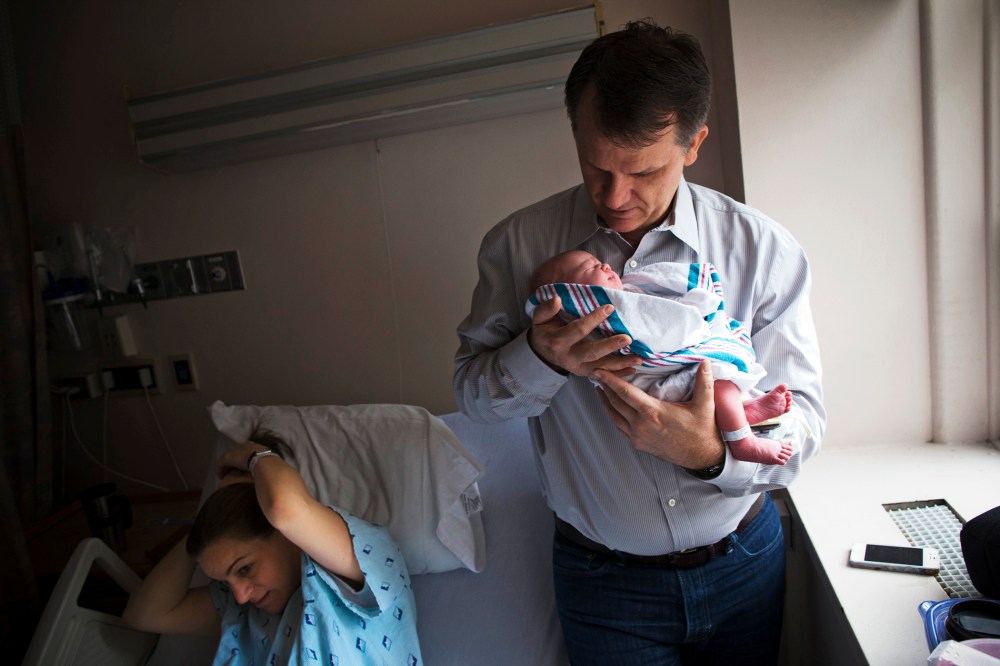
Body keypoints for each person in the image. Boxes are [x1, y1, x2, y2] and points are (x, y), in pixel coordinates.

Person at [454, 19, 825, 666]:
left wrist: (708, 452)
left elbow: (805, 427)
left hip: (746, 562)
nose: (615, 196)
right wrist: (540, 359)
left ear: (694, 143)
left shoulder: (762, 252)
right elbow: (472, 398)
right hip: (605, 587)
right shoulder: (517, 249)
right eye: (595, 166)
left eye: (643, 172)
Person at [123, 428, 423, 666]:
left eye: (244, 568)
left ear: (283, 533)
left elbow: (285, 509)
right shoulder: (242, 610)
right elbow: (144, 615)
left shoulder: (358, 559)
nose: (240, 595)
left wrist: (255, 457)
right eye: (225, 581)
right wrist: (204, 522)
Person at [528, 249, 794, 466]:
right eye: (590, 267)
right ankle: (742, 441)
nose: (605, 265)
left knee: (719, 382)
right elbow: (667, 330)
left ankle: (743, 412)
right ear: (571, 292)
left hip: (678, 370)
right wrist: (694, 312)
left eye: (599, 261)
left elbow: (662, 311)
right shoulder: (592, 321)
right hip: (655, 387)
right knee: (719, 380)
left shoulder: (634, 292)